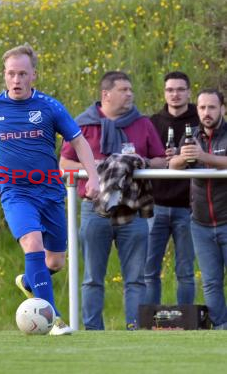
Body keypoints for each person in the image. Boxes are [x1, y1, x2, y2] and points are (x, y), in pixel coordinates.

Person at [0, 43, 100, 335]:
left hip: (50, 192)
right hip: (15, 191)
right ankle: (53, 320)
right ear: (4, 75)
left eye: (22, 74)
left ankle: (29, 282)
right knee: (32, 243)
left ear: (33, 76)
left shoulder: (50, 107)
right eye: (11, 74)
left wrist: (94, 177)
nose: (16, 80)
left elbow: (79, 141)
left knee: (55, 261)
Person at [60, 71, 166, 330]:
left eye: (131, 89)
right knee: (92, 278)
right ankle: (93, 330)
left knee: (136, 279)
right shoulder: (82, 125)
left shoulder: (142, 123)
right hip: (94, 210)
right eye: (124, 89)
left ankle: (135, 330)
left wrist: (140, 162)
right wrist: (95, 167)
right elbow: (64, 162)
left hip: (133, 210)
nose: (130, 94)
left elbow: (161, 160)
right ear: (105, 94)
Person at [170, 89, 227, 329]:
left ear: (223, 109)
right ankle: (221, 329)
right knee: (211, 283)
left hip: (226, 219)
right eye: (202, 108)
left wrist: (204, 157)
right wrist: (183, 159)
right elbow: (172, 165)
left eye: (212, 107)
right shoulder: (191, 137)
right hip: (200, 223)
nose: (206, 112)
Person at [145, 71, 198, 305]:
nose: (175, 94)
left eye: (180, 89)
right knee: (149, 270)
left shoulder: (200, 121)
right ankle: (148, 322)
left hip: (189, 208)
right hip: (156, 206)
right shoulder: (153, 122)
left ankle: (187, 323)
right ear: (164, 92)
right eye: (170, 90)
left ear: (189, 91)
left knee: (186, 272)